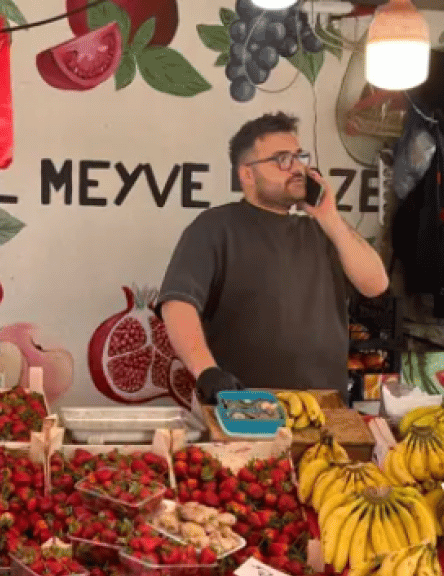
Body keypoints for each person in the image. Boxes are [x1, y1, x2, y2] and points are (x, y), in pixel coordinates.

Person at [156, 112, 390, 403]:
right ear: (247, 174)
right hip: (242, 405)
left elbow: (375, 284)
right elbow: (178, 304)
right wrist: (206, 371)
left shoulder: (324, 231)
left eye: (299, 157)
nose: (298, 168)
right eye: (282, 159)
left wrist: (329, 216)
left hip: (325, 408)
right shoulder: (215, 227)